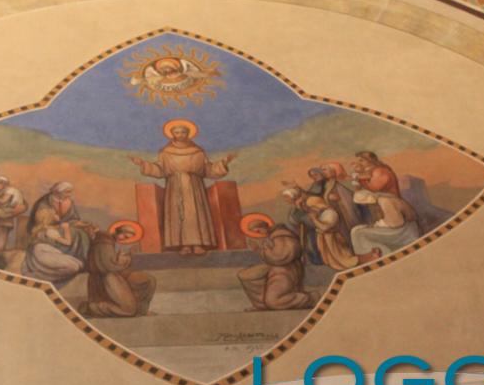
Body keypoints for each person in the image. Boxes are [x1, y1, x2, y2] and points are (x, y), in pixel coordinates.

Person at [129, 119, 235, 256]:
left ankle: (198, 244)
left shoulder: (198, 152)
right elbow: (160, 170)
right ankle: (183, 246)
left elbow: (208, 170)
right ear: (172, 134)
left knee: (195, 215)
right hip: (174, 187)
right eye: (177, 132)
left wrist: (223, 163)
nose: (180, 135)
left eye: (183, 132)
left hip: (194, 187)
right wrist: (143, 164)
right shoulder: (166, 152)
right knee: (178, 216)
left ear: (188, 133)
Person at [21, 182, 96, 287]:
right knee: (75, 238)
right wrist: (64, 228)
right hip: (51, 232)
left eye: (70, 192)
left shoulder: (69, 202)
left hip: (58, 231)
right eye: (67, 192)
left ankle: (79, 256)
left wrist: (77, 223)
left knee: (81, 233)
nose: (69, 194)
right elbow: (42, 220)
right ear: (58, 192)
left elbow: (72, 219)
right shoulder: (45, 203)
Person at [237, 220, 319, 311]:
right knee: (248, 278)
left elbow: (282, 256)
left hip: (286, 271)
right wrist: (259, 248)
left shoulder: (281, 235)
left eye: (258, 231)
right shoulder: (268, 238)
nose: (257, 234)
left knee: (274, 300)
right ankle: (262, 305)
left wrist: (264, 248)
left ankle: (309, 299)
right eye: (255, 233)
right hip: (276, 269)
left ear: (265, 228)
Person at [80, 226, 157, 318]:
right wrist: (124, 259)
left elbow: (112, 261)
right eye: (125, 236)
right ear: (119, 232)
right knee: (128, 310)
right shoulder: (104, 241)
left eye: (127, 238)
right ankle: (92, 308)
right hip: (105, 278)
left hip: (116, 273)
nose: (124, 239)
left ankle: (141, 311)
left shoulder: (111, 241)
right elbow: (107, 265)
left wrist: (123, 257)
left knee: (149, 280)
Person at [350, 190, 420, 256]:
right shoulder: (378, 199)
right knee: (356, 231)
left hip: (404, 231)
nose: (364, 206)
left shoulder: (384, 201)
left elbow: (397, 223)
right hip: (398, 228)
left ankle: (384, 253)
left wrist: (378, 225)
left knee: (360, 234)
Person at [304, 196, 359, 270]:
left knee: (340, 255)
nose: (312, 210)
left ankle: (348, 263)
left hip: (333, 239)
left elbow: (325, 227)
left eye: (313, 207)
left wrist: (314, 219)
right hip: (327, 240)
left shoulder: (330, 213)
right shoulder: (322, 213)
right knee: (333, 258)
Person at [320, 161, 363, 248]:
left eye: (325, 169)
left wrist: (335, 198)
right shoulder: (328, 183)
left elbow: (354, 197)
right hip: (339, 215)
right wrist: (328, 197)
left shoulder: (345, 182)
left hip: (349, 213)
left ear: (334, 170)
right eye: (322, 170)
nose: (322, 172)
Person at [281, 188, 323, 265]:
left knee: (313, 244)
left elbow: (309, 214)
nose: (285, 200)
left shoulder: (302, 204)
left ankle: (318, 260)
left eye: (287, 197)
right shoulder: (293, 208)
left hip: (310, 229)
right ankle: (313, 260)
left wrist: (301, 208)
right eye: (285, 198)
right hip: (301, 230)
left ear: (293, 196)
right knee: (306, 246)